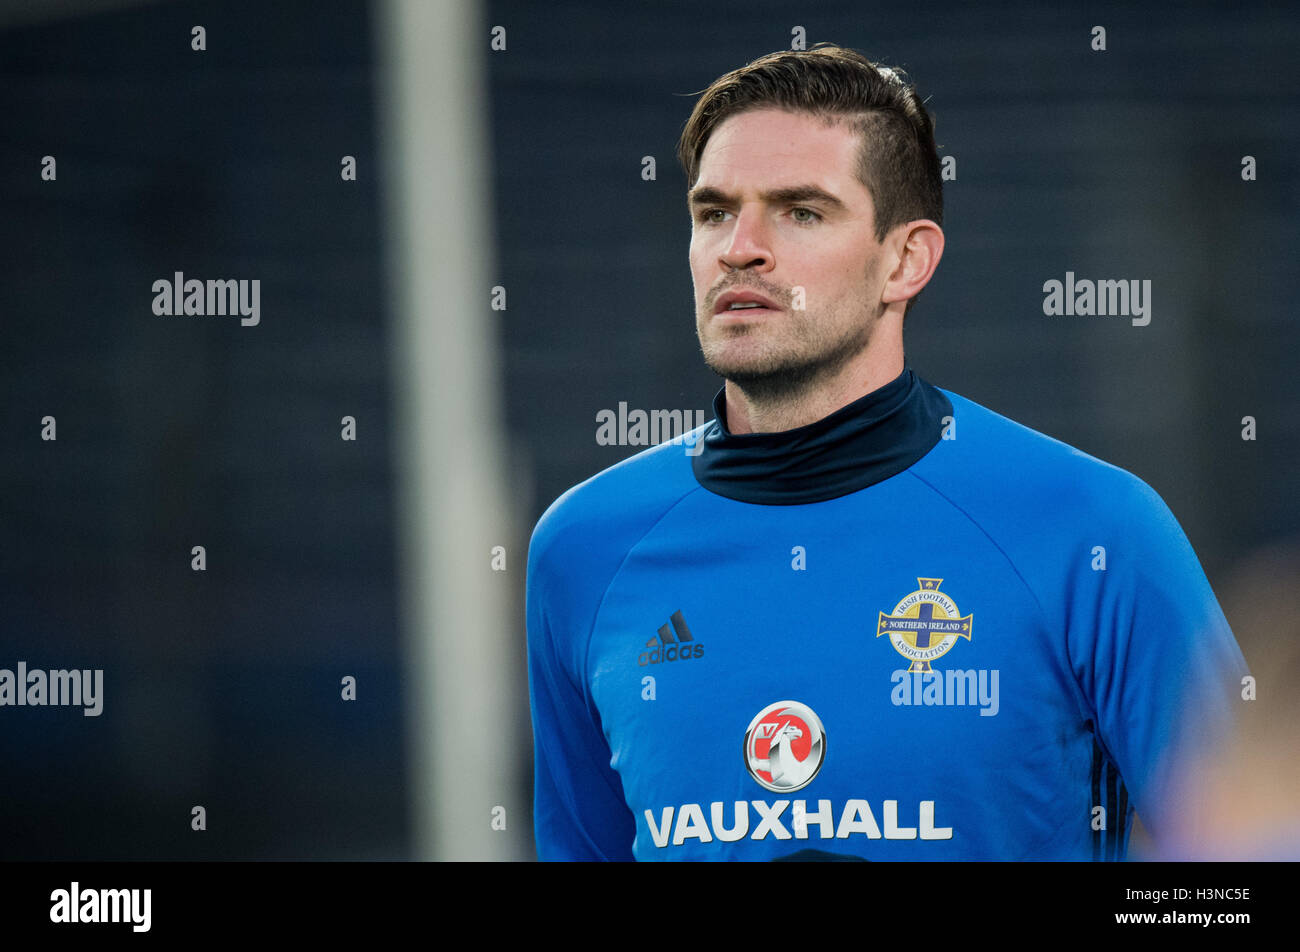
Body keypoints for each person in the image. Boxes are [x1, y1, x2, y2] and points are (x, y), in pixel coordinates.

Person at [525, 43, 1248, 860]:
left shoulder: (1093, 531)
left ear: (905, 260)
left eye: (801, 211)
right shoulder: (584, 549)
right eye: (713, 212)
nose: (740, 247)